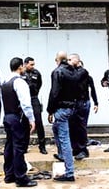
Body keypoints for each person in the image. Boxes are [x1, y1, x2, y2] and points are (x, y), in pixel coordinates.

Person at [47, 51, 89, 182]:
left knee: (65, 140)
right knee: (56, 129)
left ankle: (69, 171)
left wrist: (50, 110)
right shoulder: (74, 72)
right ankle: (62, 155)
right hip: (71, 107)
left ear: (57, 60)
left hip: (62, 108)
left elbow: (54, 93)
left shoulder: (58, 72)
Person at [1, 57, 37, 187]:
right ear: (20, 67)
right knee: (19, 147)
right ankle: (21, 178)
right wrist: (32, 119)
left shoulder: (5, 81)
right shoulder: (20, 82)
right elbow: (26, 104)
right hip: (18, 118)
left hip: (7, 117)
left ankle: (9, 175)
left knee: (9, 146)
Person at [67, 53, 98, 161]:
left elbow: (92, 90)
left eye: (70, 60)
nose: (68, 62)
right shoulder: (72, 73)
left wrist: (96, 103)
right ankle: (76, 148)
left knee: (81, 126)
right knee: (73, 126)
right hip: (75, 103)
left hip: (83, 102)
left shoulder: (83, 73)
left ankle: (83, 150)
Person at [22, 57, 47, 155]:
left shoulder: (37, 73)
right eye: (31, 64)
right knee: (25, 123)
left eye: (33, 64)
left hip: (34, 98)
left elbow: (39, 84)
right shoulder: (21, 73)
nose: (33, 66)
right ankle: (24, 146)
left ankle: (42, 146)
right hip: (24, 100)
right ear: (25, 64)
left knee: (39, 122)